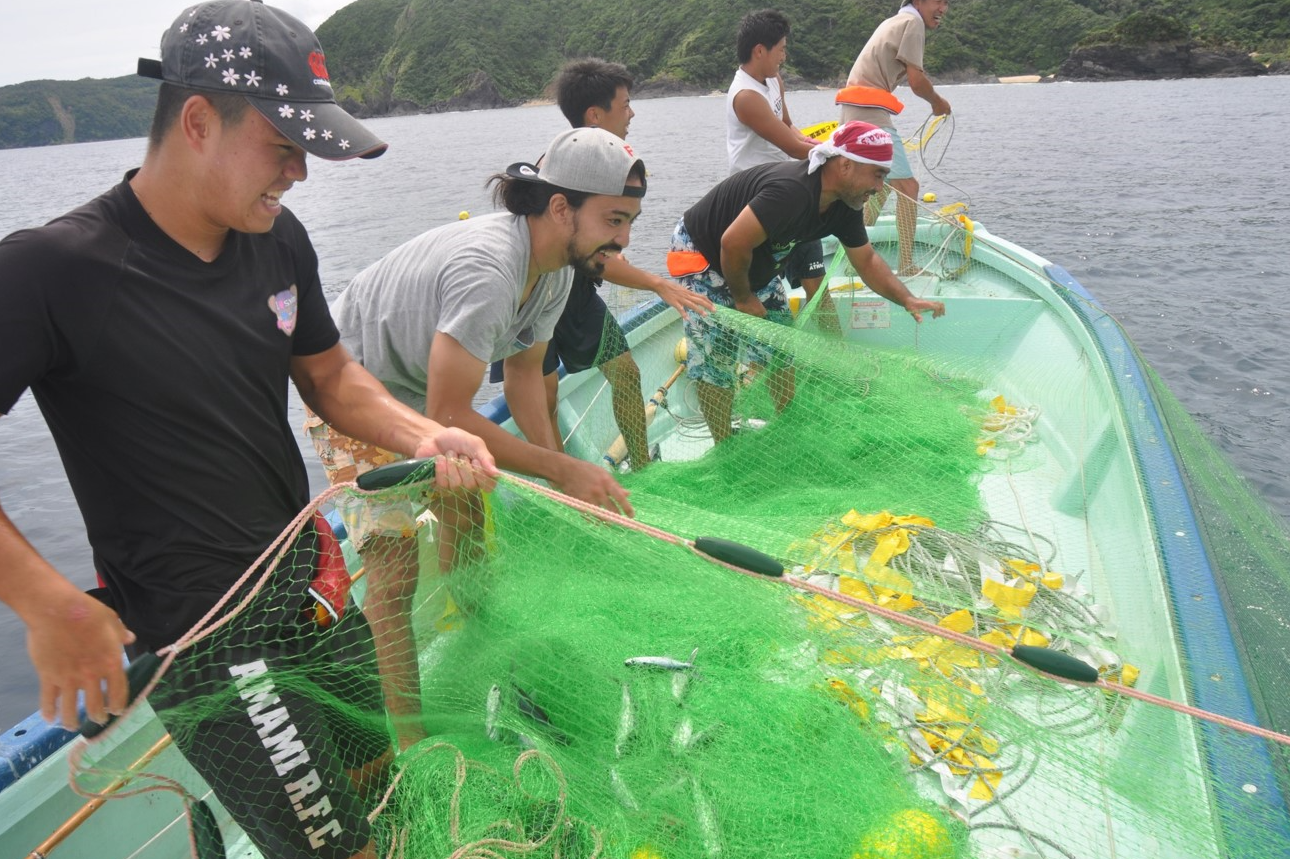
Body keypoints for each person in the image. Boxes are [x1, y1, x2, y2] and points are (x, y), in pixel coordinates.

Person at [0, 2, 497, 858]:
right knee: (337, 849)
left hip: (308, 587)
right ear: (197, 121)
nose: (299, 173)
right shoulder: (52, 268)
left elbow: (331, 372)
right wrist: (46, 603)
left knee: (387, 788)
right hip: (210, 636)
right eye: (284, 145)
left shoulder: (276, 237)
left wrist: (421, 433)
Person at [309, 126, 648, 746]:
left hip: (429, 398)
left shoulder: (556, 270)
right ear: (560, 207)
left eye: (629, 221)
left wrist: (555, 470)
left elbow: (523, 377)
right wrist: (561, 469)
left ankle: (481, 658)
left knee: (467, 518)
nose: (624, 239)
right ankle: (414, 745)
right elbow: (449, 413)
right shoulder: (489, 270)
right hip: (353, 394)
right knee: (393, 569)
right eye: (615, 219)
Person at [489, 58, 711, 470]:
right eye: (624, 104)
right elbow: (594, 259)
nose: (631, 113)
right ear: (595, 115)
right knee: (545, 398)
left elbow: (602, 252)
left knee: (625, 371)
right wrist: (659, 284)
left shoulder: (614, 170)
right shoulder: (563, 168)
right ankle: (565, 483)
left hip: (576, 295)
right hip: (536, 292)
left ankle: (642, 465)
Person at [669, 121, 946, 443]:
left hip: (754, 258)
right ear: (845, 165)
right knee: (717, 357)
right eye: (878, 175)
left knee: (781, 346)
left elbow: (867, 259)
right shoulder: (791, 191)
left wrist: (906, 299)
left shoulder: (846, 204)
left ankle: (788, 428)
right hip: (704, 251)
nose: (880, 187)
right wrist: (743, 298)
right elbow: (732, 243)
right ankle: (724, 444)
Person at [839, 0, 952, 275]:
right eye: (939, 1)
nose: (943, 8)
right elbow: (917, 81)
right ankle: (907, 265)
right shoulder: (912, 24)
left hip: (856, 111)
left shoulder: (896, 21)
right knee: (908, 187)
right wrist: (938, 103)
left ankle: (853, 261)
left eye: (947, 2)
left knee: (883, 185)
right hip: (869, 115)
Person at [726, 9, 826, 301]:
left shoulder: (773, 79)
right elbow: (792, 148)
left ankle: (829, 339)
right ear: (760, 51)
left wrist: (818, 145)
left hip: (787, 185)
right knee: (766, 284)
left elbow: (789, 128)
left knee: (816, 284)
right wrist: (837, 155)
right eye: (781, 50)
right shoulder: (746, 96)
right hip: (757, 194)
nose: (784, 56)